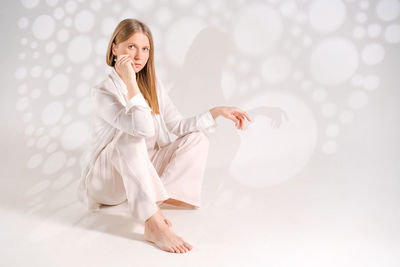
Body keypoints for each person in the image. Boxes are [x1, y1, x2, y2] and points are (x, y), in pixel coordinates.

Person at [77, 18, 252, 254]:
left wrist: (216, 111)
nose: (139, 55)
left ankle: (162, 198)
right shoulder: (102, 92)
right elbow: (142, 129)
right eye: (131, 47)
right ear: (114, 49)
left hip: (135, 171)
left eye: (145, 49)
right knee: (129, 138)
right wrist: (130, 82)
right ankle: (152, 223)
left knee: (196, 137)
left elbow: (177, 125)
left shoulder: (153, 85)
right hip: (104, 184)